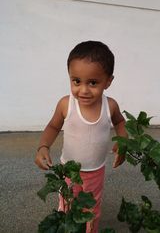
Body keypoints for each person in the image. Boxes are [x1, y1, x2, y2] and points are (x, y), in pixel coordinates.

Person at [35, 40, 127, 232]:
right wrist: (43, 147)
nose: (83, 90)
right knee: (67, 207)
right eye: (76, 81)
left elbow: (120, 122)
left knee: (91, 210)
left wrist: (123, 141)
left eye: (93, 82)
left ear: (108, 81)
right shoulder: (65, 104)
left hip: (95, 172)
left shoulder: (109, 106)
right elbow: (53, 126)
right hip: (68, 171)